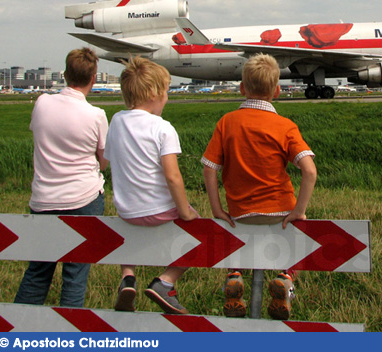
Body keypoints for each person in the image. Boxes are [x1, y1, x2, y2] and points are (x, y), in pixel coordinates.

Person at [202, 54, 317, 320]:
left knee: (237, 239)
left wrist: (217, 209)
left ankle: (234, 274)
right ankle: (286, 276)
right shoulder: (285, 126)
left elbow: (210, 168)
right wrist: (299, 210)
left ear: (242, 88)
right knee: (298, 238)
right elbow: (309, 171)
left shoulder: (227, 122)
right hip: (280, 211)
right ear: (277, 90)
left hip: (240, 211)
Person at [14, 48, 108, 307]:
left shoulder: (42, 102)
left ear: (65, 75)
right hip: (83, 198)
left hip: (44, 198)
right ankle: (69, 335)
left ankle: (16, 331)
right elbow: (104, 160)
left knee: (38, 271)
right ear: (94, 78)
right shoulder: (96, 115)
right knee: (75, 273)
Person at [104, 56, 198, 314]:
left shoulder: (116, 122)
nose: (167, 97)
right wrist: (185, 211)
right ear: (155, 93)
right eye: (166, 91)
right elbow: (172, 176)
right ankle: (166, 282)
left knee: (128, 236)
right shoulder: (163, 127)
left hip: (127, 211)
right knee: (200, 235)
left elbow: (108, 159)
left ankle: (128, 276)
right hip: (158, 210)